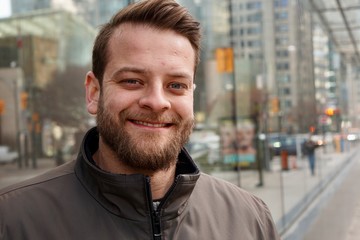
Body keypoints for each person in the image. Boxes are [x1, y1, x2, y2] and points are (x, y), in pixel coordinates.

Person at [0, 1, 280, 239]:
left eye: (176, 85)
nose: (157, 101)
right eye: (132, 81)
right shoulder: (12, 221)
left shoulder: (250, 220)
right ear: (94, 93)